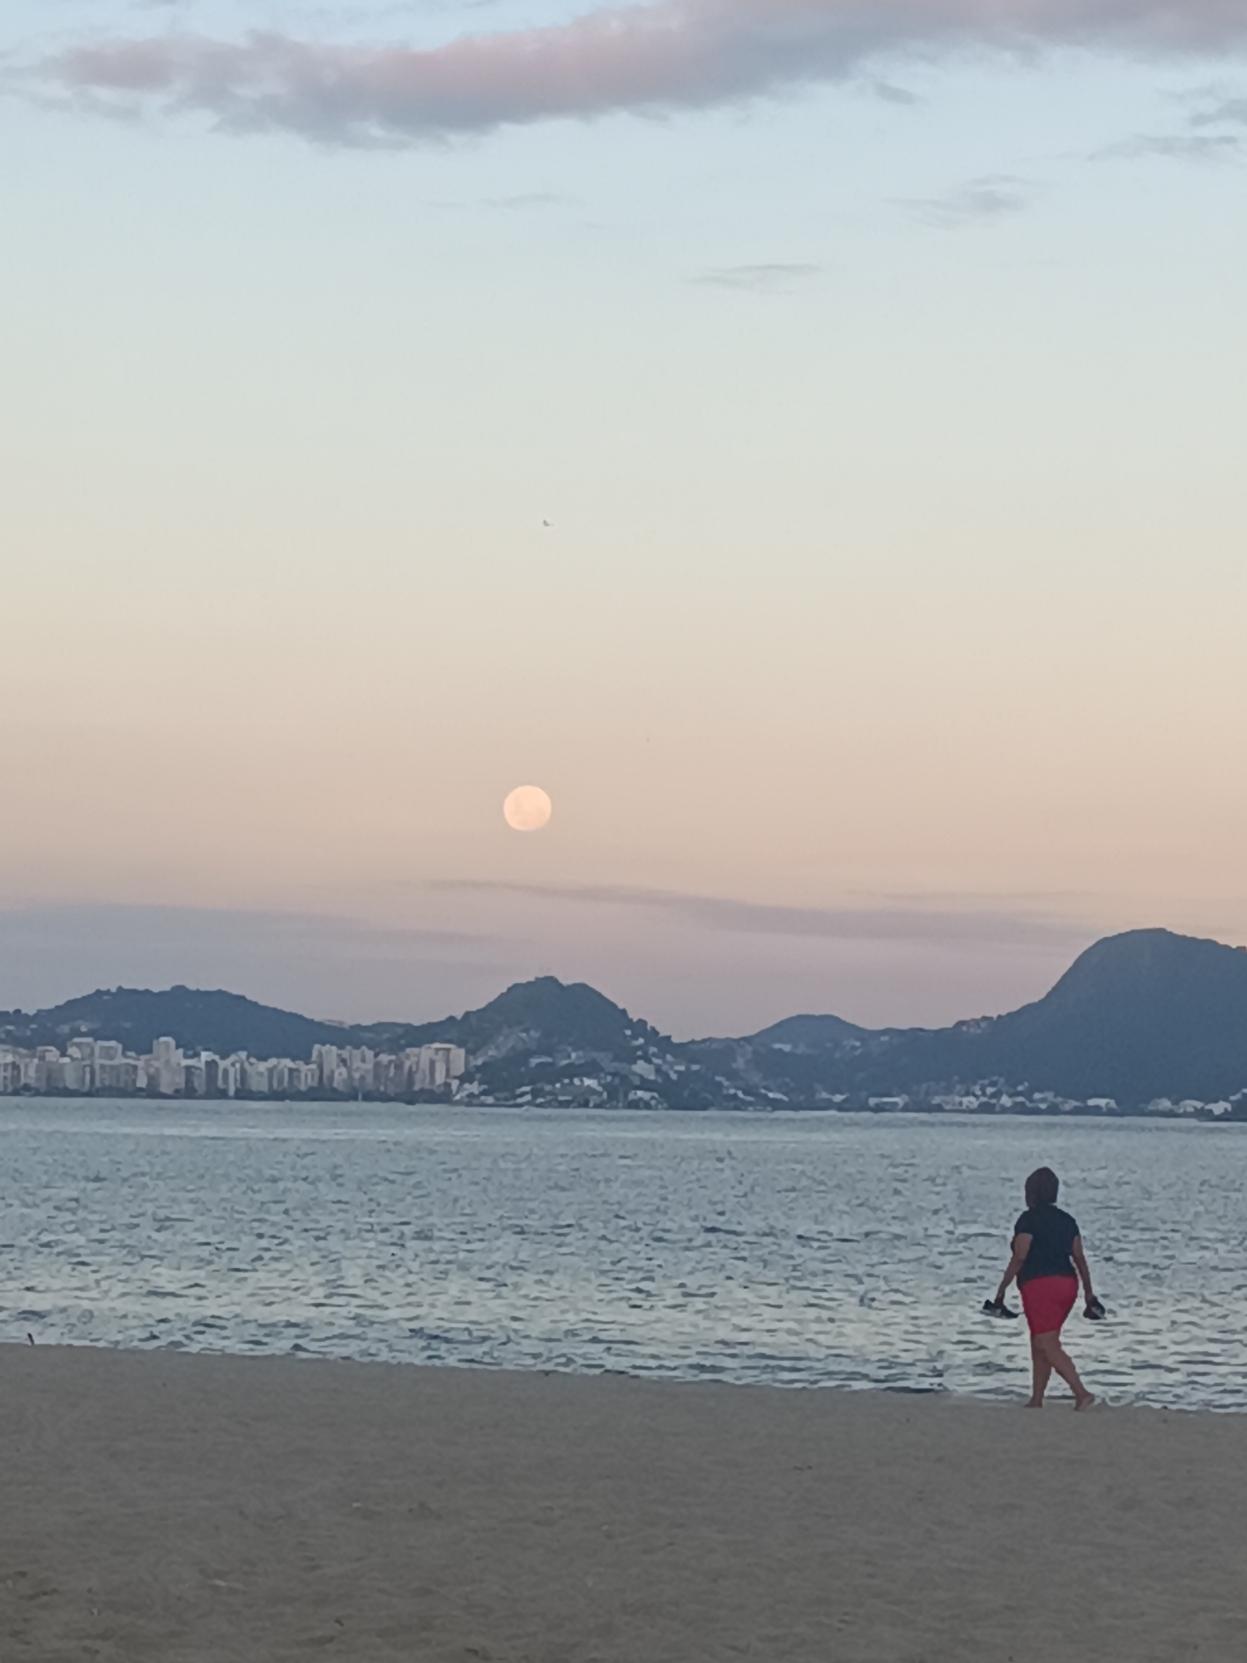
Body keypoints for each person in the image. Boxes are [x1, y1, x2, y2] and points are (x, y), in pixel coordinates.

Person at [990, 1166, 1099, 1409]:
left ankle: (1081, 1393)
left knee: (1046, 1342)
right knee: (1041, 1338)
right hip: (1067, 1284)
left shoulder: (1028, 1220)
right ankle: (1037, 1398)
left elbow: (1020, 1255)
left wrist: (1002, 1289)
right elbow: (1079, 1258)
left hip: (1040, 1285)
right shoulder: (1067, 1221)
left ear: (1031, 1192)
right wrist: (1089, 1294)